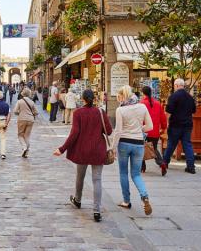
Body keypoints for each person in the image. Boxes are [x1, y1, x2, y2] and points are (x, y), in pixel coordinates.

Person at [53, 89, 112, 222]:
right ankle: (96, 211)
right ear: (94, 99)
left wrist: (62, 149)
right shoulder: (100, 112)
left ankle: (78, 200)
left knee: (80, 177)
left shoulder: (78, 113)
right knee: (97, 180)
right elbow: (108, 131)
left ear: (83, 99)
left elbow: (74, 134)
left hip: (82, 150)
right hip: (98, 150)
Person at [114, 85, 154, 215]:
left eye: (119, 97)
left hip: (124, 144)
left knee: (123, 173)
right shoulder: (142, 107)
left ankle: (126, 200)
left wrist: (113, 147)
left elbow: (118, 131)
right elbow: (150, 126)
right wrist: (138, 129)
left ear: (122, 96)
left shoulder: (120, 110)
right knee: (136, 174)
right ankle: (145, 196)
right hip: (138, 144)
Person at [162, 78, 197, 175]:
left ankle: (165, 163)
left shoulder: (173, 97)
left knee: (171, 144)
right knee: (187, 145)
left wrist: (166, 124)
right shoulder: (190, 97)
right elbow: (194, 111)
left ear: (176, 85)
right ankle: (191, 167)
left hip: (175, 125)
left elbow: (168, 112)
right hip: (187, 125)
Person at [140, 86, 167, 174]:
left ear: (143, 93)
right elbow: (163, 117)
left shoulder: (141, 103)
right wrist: (163, 127)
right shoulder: (157, 103)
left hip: (144, 130)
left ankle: (142, 167)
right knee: (154, 149)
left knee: (141, 148)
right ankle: (161, 163)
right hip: (155, 131)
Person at [14, 88, 38, 158]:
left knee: (20, 135)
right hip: (30, 120)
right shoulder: (32, 102)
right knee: (27, 136)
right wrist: (31, 113)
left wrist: (20, 113)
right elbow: (36, 112)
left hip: (22, 119)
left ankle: (24, 148)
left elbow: (15, 111)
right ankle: (26, 152)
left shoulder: (19, 101)